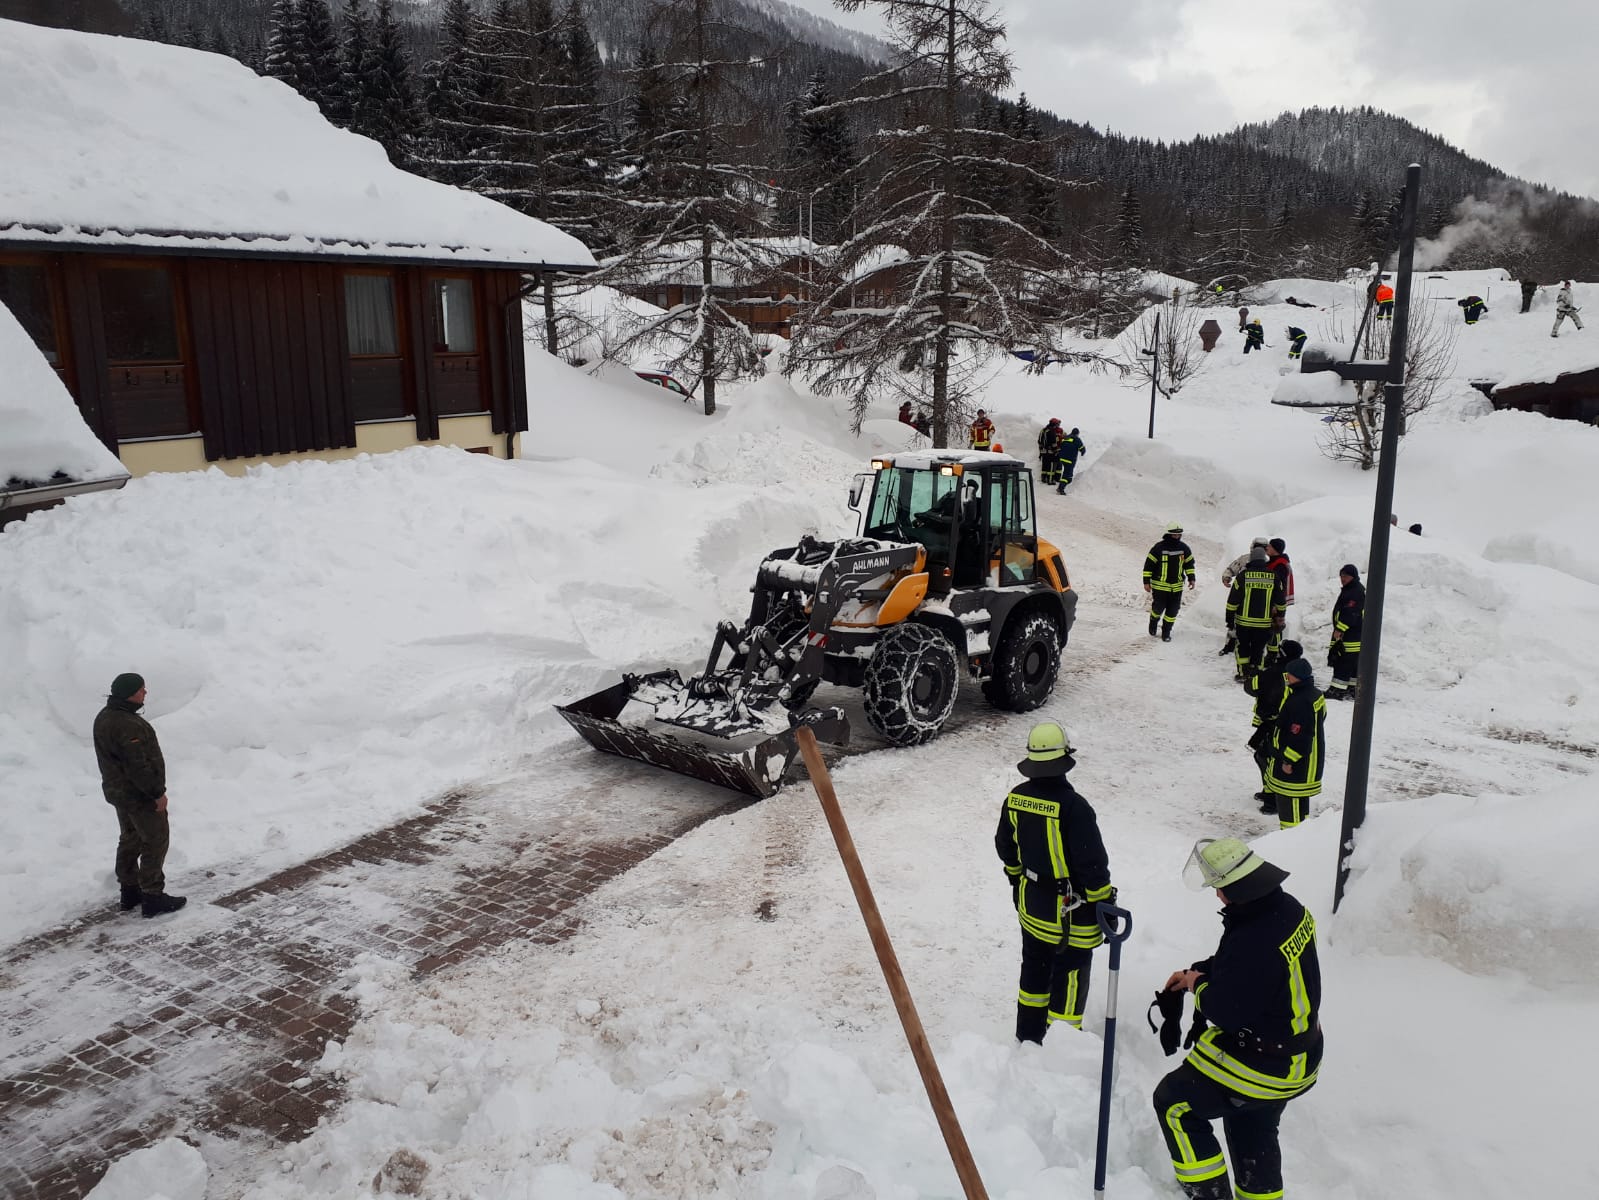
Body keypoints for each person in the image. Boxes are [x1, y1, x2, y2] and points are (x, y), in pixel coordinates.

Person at [1152, 838, 1323, 1200]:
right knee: (1252, 1120)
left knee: (1174, 1104)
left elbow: (1225, 1010)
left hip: (1264, 1063)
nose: (1217, 897)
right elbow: (1247, 973)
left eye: (1219, 888)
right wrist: (1195, 972)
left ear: (1238, 887)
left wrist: (1197, 985)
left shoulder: (1255, 936)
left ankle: (1207, 1193)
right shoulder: (1287, 910)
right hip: (1300, 1056)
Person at [995, 721, 1113, 1042]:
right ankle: (1062, 1045)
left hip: (1033, 908)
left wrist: (1018, 879)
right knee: (1070, 977)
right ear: (1064, 760)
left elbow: (1006, 847)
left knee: (1034, 973)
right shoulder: (1075, 809)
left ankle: (1028, 1037)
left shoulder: (1015, 799)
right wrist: (1105, 901)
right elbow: (1093, 866)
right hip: (1072, 917)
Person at [93, 673, 187, 918]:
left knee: (130, 838)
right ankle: (153, 896)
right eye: (141, 689)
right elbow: (138, 765)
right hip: (138, 794)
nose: (145, 692)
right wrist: (157, 793)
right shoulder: (127, 724)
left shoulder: (105, 717)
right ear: (130, 693)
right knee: (155, 840)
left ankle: (130, 890)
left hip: (119, 793)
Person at [1262, 658, 1325, 826]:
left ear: (1298, 677)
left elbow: (1301, 737)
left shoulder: (1300, 702)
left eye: (1290, 674)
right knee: (1300, 813)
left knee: (1291, 816)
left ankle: (1291, 845)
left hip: (1297, 769)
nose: (1287, 677)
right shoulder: (1314, 694)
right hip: (1308, 765)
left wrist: (1288, 760)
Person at [1247, 639, 1303, 806]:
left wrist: (1259, 671)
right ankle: (1270, 792)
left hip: (1272, 724)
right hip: (1288, 725)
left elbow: (1250, 687)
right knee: (1267, 757)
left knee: (1266, 757)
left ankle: (1272, 798)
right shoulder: (1299, 673)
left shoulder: (1272, 672)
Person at [1225, 546, 1286, 682]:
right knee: (1259, 649)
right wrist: (1280, 616)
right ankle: (1256, 673)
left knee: (1242, 647)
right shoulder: (1273, 576)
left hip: (1243, 623)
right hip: (1264, 624)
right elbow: (1281, 601)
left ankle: (1243, 673)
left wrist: (1229, 619)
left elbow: (1233, 601)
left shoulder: (1243, 576)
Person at [1217, 536, 1271, 658]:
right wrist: (1226, 577)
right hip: (1242, 595)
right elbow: (1232, 568)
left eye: (1262, 548)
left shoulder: (1269, 562)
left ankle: (1251, 649)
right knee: (1236, 622)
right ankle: (1229, 645)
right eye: (1258, 547)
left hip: (1260, 598)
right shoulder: (1244, 559)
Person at [1144, 524, 1196, 642]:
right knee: (1158, 609)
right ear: (1168, 534)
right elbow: (1148, 566)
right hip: (1160, 587)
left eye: (1178, 534)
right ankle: (1153, 621)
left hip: (1176, 588)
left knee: (1172, 611)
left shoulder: (1184, 548)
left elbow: (1189, 564)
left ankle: (1166, 632)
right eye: (1174, 534)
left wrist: (1191, 578)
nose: (1176, 536)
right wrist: (1146, 582)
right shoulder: (1158, 548)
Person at [1327, 564, 1365, 701]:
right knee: (1352, 663)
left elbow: (1350, 614)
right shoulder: (1352, 589)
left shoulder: (1354, 592)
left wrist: (1339, 629)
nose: (1342, 579)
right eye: (1341, 576)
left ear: (1353, 577)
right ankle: (1352, 688)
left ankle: (1337, 690)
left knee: (1342, 661)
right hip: (1353, 635)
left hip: (1349, 635)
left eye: (1346, 576)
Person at [1263, 537, 1295, 657]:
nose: (1267, 548)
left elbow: (1279, 587)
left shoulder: (1280, 564)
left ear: (1275, 549)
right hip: (1273, 602)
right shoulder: (1275, 562)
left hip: (1276, 603)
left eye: (1270, 546)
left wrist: (1276, 605)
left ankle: (1273, 655)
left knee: (1276, 628)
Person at [1056, 427, 1085, 494]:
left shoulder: (1066, 437)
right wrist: (1083, 452)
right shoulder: (1077, 439)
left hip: (1062, 458)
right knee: (1067, 474)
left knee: (1067, 473)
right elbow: (1082, 448)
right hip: (1069, 460)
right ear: (1077, 434)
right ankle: (1061, 488)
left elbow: (1061, 445)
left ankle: (1065, 482)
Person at [1037, 417, 1063, 487]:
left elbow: (1039, 441)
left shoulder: (1043, 430)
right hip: (1050, 452)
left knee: (1045, 465)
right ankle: (1050, 480)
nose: (1057, 425)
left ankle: (1043, 478)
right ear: (1054, 424)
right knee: (1051, 466)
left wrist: (1041, 449)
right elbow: (1053, 442)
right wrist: (1056, 450)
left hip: (1043, 452)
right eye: (1057, 424)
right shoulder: (1051, 431)